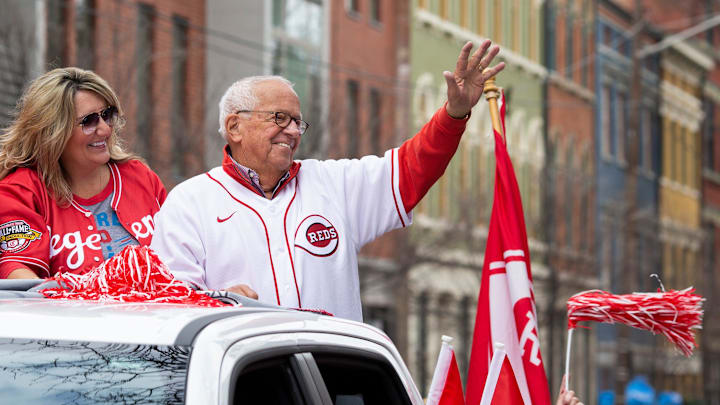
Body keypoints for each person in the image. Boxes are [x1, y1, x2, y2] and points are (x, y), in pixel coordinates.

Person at [150, 40, 504, 321]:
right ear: (234, 127)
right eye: (278, 118)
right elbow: (171, 305)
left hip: (330, 381)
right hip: (243, 382)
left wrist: (454, 114)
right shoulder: (190, 202)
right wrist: (220, 305)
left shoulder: (332, 183)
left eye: (297, 122)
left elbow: (412, 169)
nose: (291, 130)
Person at [0, 67, 167, 279]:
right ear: (53, 131)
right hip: (65, 312)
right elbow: (18, 270)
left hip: (155, 310)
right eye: (89, 121)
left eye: (107, 115)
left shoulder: (139, 176)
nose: (105, 129)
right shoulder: (21, 191)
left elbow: (181, 258)